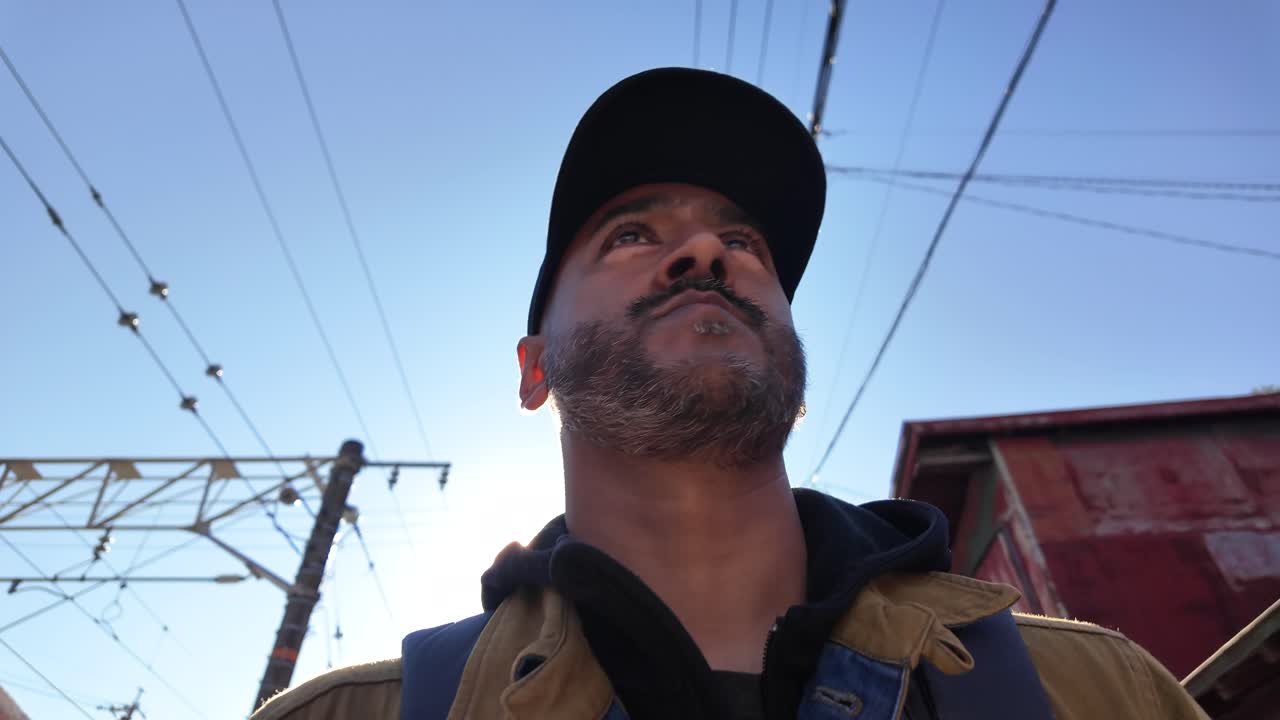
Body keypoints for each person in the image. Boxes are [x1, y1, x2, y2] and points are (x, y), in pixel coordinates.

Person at [251, 68, 1207, 720]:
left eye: (743, 242)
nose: (707, 251)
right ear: (534, 369)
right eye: (631, 234)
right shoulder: (358, 714)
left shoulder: (1100, 692)